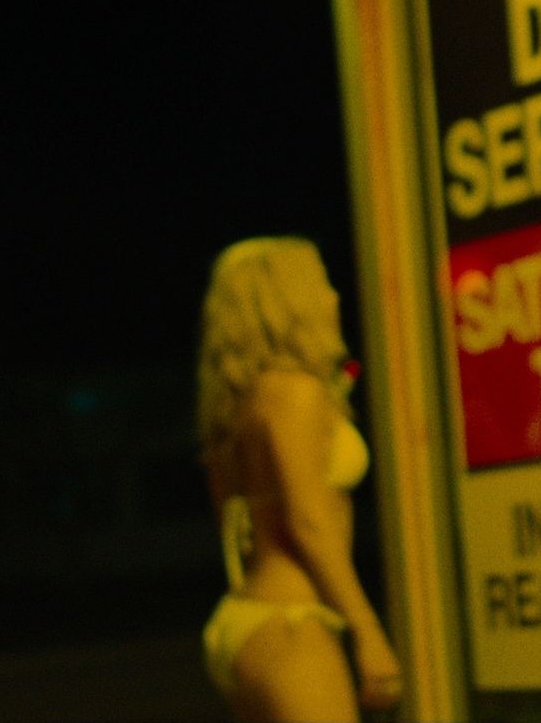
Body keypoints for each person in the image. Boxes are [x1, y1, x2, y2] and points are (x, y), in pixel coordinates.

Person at [196, 236, 401, 721]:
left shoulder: (238, 406)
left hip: (245, 619)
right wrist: (367, 631)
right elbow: (309, 521)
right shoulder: (294, 393)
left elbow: (232, 520)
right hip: (292, 622)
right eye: (321, 284)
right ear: (289, 302)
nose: (333, 297)